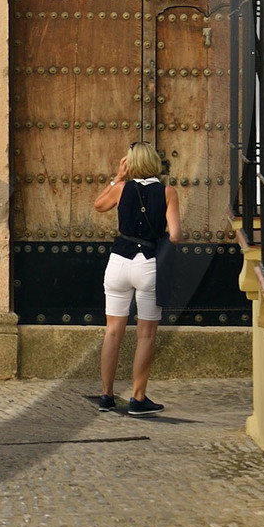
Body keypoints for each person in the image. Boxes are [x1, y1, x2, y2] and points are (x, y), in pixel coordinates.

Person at [92, 142, 181, 415]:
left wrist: (117, 177)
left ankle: (106, 396)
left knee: (112, 332)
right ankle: (138, 398)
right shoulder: (168, 192)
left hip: (118, 263)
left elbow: (98, 205)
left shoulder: (120, 188)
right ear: (155, 162)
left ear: (129, 164)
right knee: (146, 334)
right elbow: (175, 235)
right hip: (149, 265)